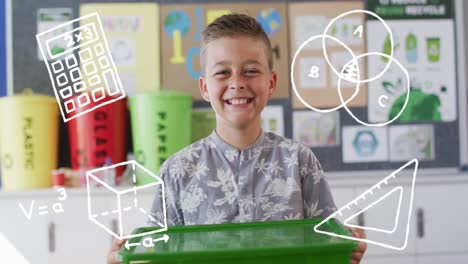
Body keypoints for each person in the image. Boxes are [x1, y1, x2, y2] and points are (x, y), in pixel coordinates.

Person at [108, 13, 366, 264]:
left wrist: (346, 252)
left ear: (271, 82)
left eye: (251, 71)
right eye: (222, 73)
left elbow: (326, 245)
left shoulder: (299, 162)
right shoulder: (177, 171)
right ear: (205, 88)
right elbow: (156, 255)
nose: (237, 83)